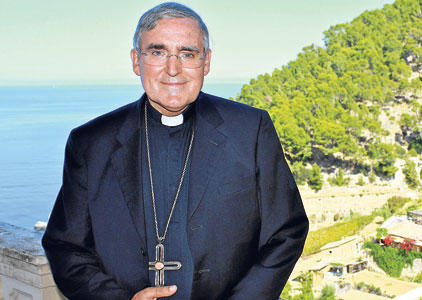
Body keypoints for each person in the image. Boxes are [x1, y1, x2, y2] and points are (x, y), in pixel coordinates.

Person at [41, 2, 308, 299]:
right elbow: (65, 246)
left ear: (206, 62)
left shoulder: (250, 130)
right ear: (135, 61)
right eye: (157, 52)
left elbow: (287, 232)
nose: (173, 69)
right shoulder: (90, 143)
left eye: (187, 54)